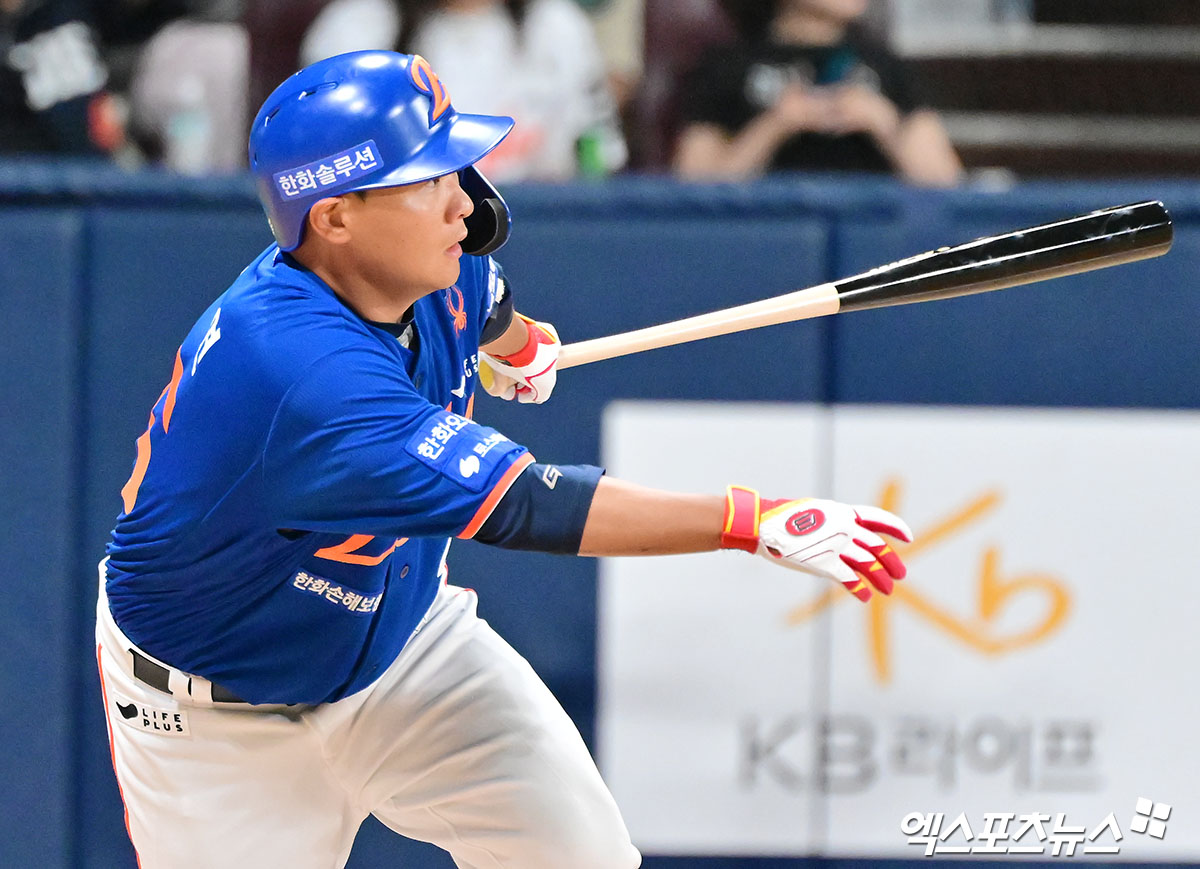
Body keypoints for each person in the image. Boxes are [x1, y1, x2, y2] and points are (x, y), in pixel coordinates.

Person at [95, 50, 913, 868]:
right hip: (220, 719)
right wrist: (748, 520)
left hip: (399, 646)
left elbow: (487, 301)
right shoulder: (303, 376)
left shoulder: (430, 262)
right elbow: (533, 502)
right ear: (336, 217)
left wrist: (518, 346)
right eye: (428, 179)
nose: (464, 201)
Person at [300, 0, 627, 180]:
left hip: (538, 226)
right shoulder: (356, 27)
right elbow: (320, 161)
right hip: (400, 232)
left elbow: (598, 156)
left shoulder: (557, 25)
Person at [673, 0, 962, 186]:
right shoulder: (728, 67)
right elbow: (692, 192)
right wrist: (774, 126)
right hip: (763, 237)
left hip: (870, 239)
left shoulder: (887, 66)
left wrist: (883, 122)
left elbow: (947, 186)